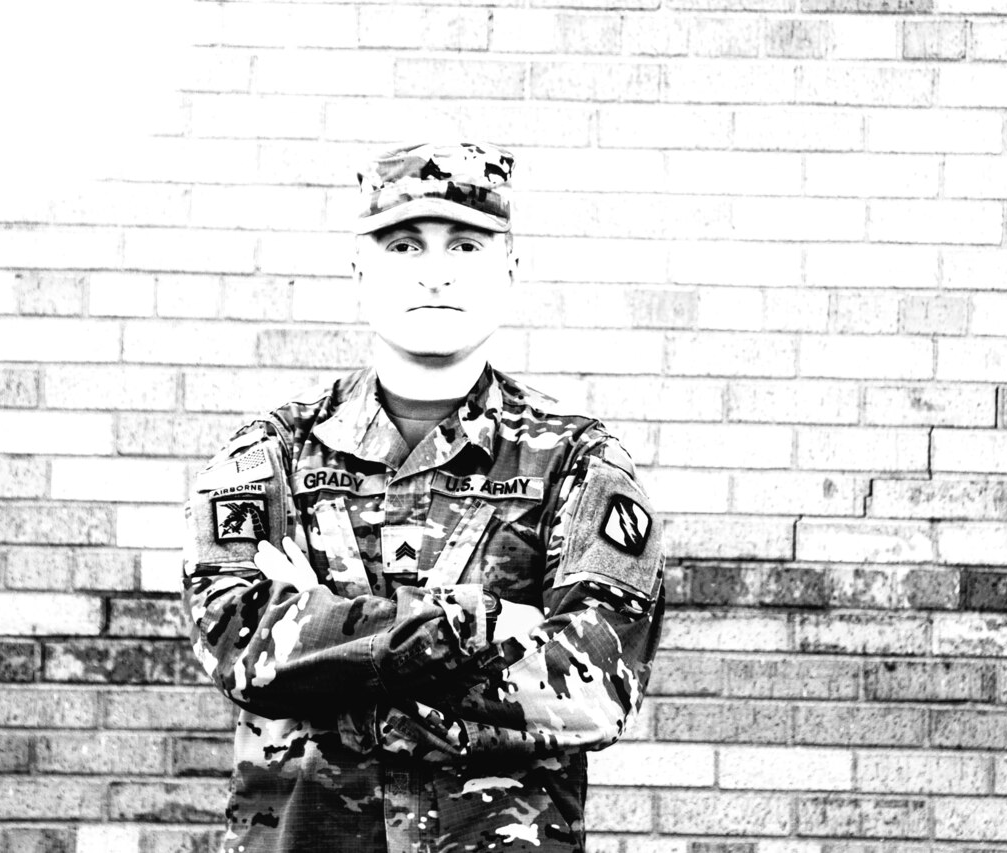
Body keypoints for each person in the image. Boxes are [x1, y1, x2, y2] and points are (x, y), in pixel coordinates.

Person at [182, 141, 665, 853]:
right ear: (360, 269)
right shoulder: (271, 455)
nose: (435, 272)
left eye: (465, 245)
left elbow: (592, 692)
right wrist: (485, 630)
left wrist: (326, 627)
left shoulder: (578, 462)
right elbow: (242, 652)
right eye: (404, 245)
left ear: (509, 270)